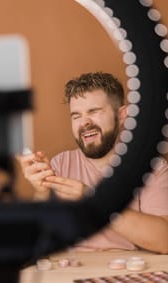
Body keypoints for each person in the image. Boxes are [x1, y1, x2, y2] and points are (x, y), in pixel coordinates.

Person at [17, 72, 168, 254]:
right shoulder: (62, 164)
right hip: (69, 271)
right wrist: (41, 192)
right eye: (76, 116)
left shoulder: (151, 167)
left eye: (94, 112)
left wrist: (93, 202)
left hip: (123, 272)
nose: (84, 123)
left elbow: (164, 241)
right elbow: (37, 239)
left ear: (121, 115)